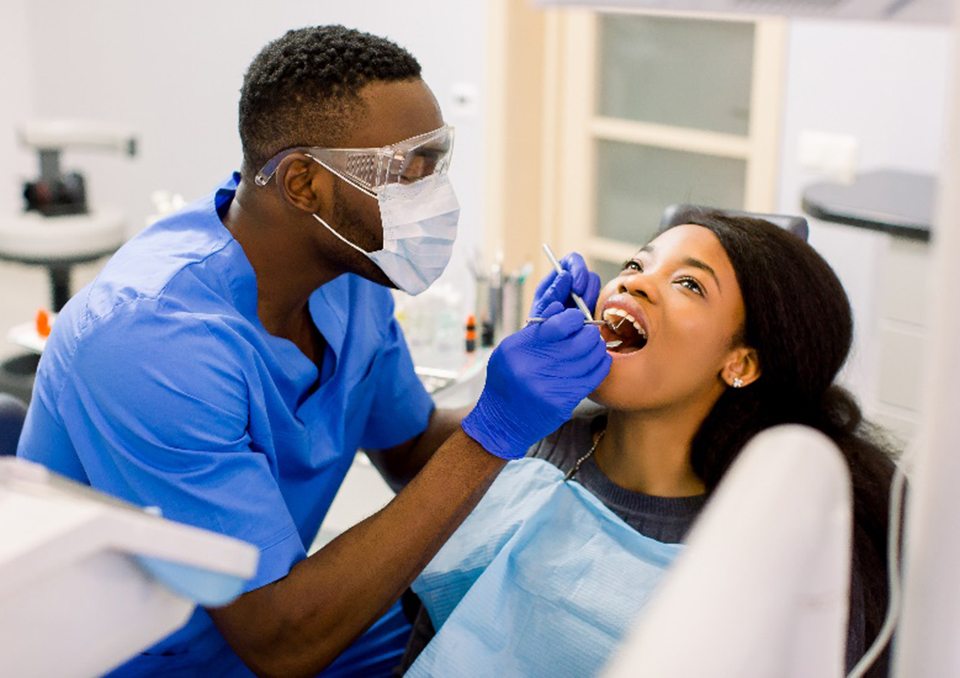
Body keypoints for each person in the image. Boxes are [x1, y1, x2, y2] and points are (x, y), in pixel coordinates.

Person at [15, 25, 610, 677]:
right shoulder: (149, 340)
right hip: (159, 656)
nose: (436, 198)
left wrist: (554, 390)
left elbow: (409, 448)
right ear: (303, 183)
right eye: (407, 173)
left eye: (438, 164)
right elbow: (281, 642)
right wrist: (495, 428)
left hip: (296, 619)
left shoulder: (347, 278)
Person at [402, 210, 896, 678]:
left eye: (689, 283)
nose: (633, 281)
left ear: (741, 363)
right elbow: (434, 636)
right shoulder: (532, 446)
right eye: (636, 263)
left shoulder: (766, 537)